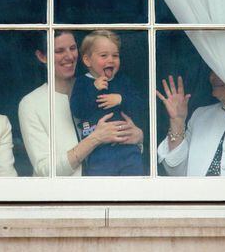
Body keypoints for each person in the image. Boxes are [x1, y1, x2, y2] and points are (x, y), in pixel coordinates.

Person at [18, 30, 144, 177]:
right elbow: (45, 170)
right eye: (59, 51)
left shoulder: (102, 84)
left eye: (72, 48)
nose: (70, 56)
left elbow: (136, 111)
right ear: (42, 56)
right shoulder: (31, 104)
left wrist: (139, 137)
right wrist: (95, 138)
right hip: (64, 196)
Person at [70, 30, 144, 176]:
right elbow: (77, 109)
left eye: (115, 55)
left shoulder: (123, 81)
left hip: (127, 146)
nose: (111, 60)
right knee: (101, 189)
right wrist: (93, 88)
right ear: (87, 60)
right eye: (104, 55)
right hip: (99, 150)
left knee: (135, 184)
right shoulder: (83, 82)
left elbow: (140, 105)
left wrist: (121, 99)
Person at [157, 73, 225, 176]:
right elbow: (176, 171)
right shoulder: (200, 115)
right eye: (211, 72)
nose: (213, 77)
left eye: (219, 71)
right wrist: (177, 122)